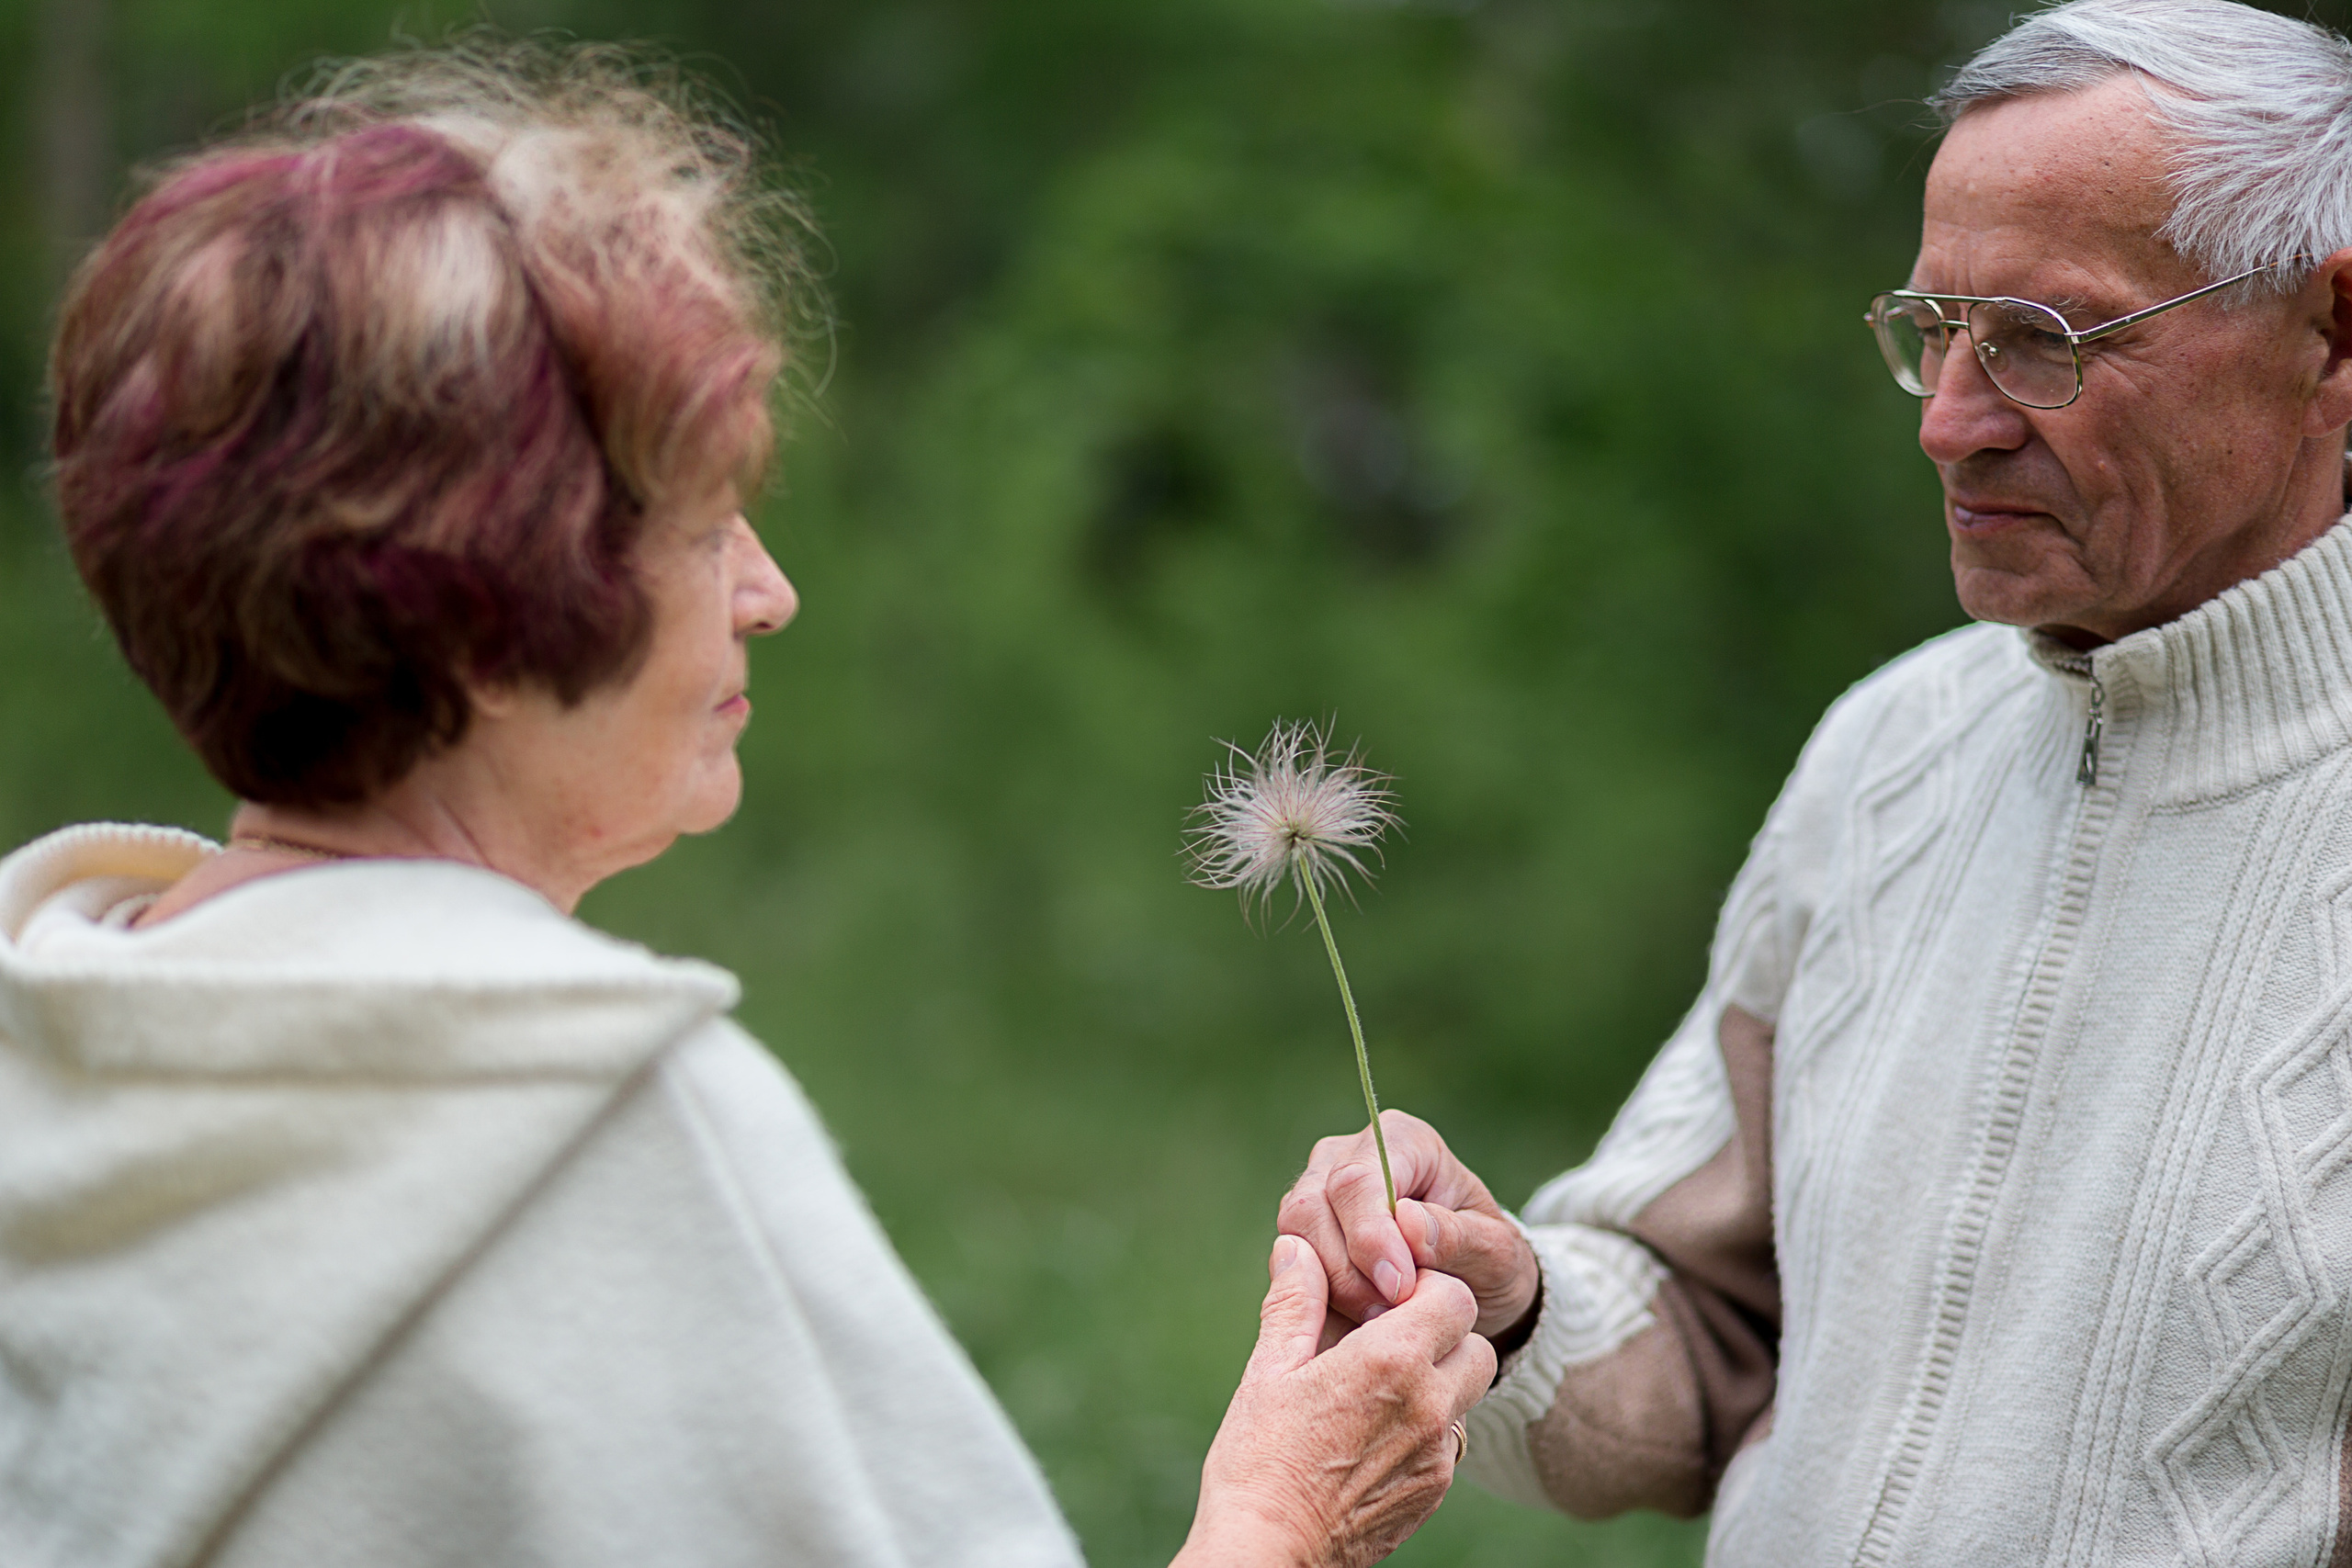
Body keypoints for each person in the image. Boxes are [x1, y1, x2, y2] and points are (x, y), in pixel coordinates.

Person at [0, 43, 1495, 1568]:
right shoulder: (605, 1135)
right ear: (486, 616)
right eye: (705, 525)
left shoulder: (51, 1068)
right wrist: (1282, 1519)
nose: (769, 593)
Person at [1279, 0, 2352, 1561]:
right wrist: (1502, 1298)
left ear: (2333, 335)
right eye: (1934, 330)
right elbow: (1717, 1326)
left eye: (2043, 340)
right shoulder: (1886, 756)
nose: (1950, 423)